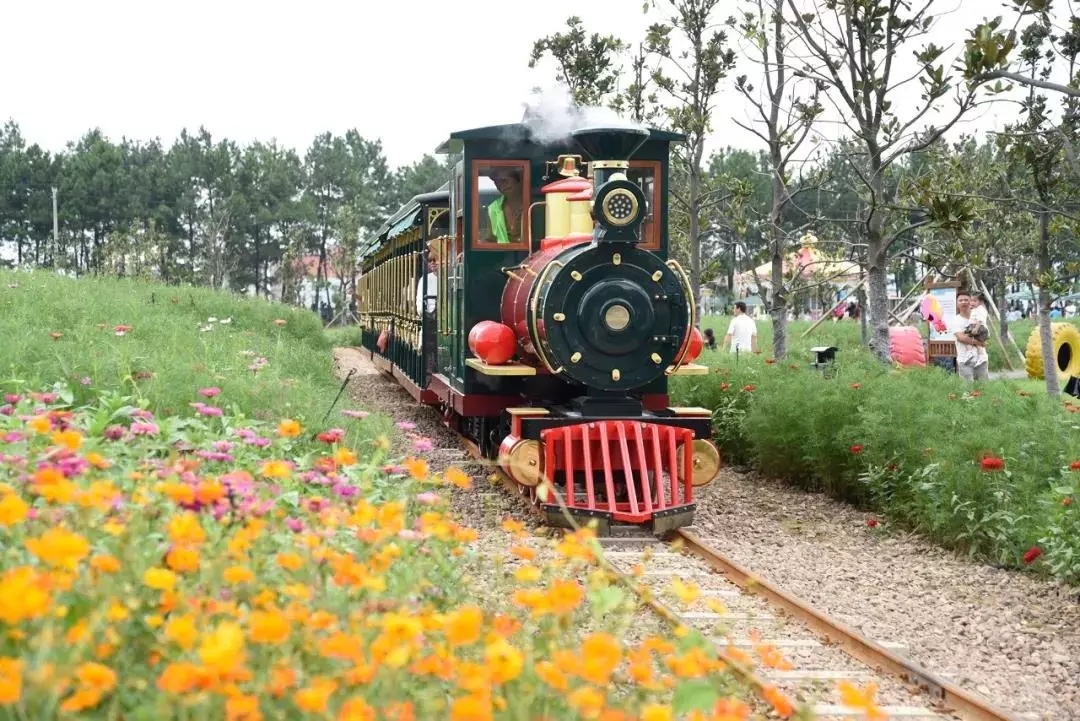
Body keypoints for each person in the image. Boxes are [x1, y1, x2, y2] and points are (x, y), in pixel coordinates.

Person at [949, 289, 988, 381]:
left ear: (971, 302)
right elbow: (962, 338)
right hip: (964, 360)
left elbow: (985, 334)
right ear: (957, 303)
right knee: (967, 391)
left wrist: (981, 341)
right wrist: (980, 343)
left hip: (981, 359)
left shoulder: (978, 316)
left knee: (984, 389)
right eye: (960, 300)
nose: (964, 302)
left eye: (966, 300)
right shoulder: (955, 320)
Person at [484, 168, 525, 244]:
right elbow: (491, 239)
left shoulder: (533, 204)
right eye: (497, 183)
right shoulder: (493, 208)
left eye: (504, 180)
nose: (501, 186)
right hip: (503, 255)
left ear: (519, 180)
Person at [415, 253, 438, 376]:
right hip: (429, 315)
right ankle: (430, 365)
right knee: (429, 341)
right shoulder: (425, 279)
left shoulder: (447, 277)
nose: (433, 263)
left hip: (443, 314)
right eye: (430, 261)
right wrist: (423, 313)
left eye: (435, 260)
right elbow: (419, 299)